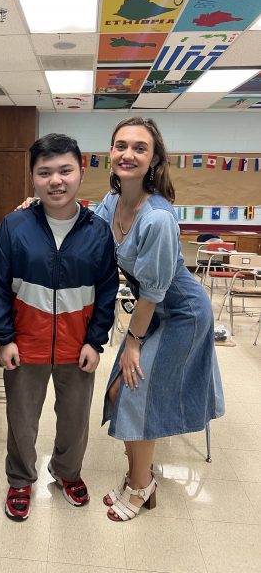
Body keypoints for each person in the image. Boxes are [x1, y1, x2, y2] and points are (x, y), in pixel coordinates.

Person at [95, 117, 225, 522]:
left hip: (182, 314)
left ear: (154, 160)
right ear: (111, 153)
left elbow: (152, 291)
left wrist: (132, 343)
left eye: (139, 147)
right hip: (152, 312)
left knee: (136, 389)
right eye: (120, 145)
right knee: (118, 391)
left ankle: (140, 486)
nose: (127, 154)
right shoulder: (110, 203)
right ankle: (142, 477)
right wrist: (40, 208)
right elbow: (86, 232)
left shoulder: (158, 218)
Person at [0, 133, 119, 522]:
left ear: (80, 173)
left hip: (78, 347)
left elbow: (108, 290)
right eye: (45, 172)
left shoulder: (97, 231)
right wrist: (4, 339)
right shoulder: (13, 226)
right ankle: (21, 479)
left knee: (75, 420)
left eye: (65, 170)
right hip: (24, 346)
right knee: (22, 421)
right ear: (33, 177)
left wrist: (96, 341)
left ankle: (67, 473)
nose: (55, 181)